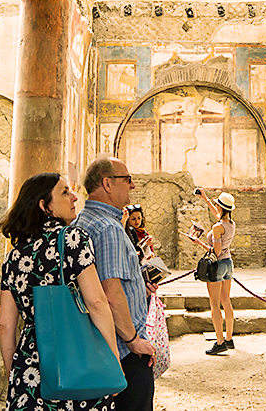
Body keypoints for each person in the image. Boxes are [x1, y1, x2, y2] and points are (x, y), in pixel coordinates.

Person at [0, 173, 119, 411]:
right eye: (64, 192)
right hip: (78, 357)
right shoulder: (74, 240)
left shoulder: (14, 257)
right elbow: (96, 303)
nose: (74, 197)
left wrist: (16, 372)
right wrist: (112, 359)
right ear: (45, 206)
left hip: (31, 366)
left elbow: (4, 325)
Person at [74, 157, 156, 411]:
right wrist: (133, 340)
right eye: (127, 179)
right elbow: (110, 293)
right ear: (107, 183)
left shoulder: (82, 221)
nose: (132, 186)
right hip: (124, 352)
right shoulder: (108, 227)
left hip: (96, 347)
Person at [190, 189, 237, 355]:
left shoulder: (217, 228)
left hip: (217, 266)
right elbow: (217, 213)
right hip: (228, 263)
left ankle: (219, 342)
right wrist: (205, 198)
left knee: (214, 304)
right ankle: (229, 338)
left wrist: (199, 243)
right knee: (226, 301)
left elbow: (215, 252)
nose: (215, 206)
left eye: (218, 205)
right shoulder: (230, 224)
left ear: (222, 208)